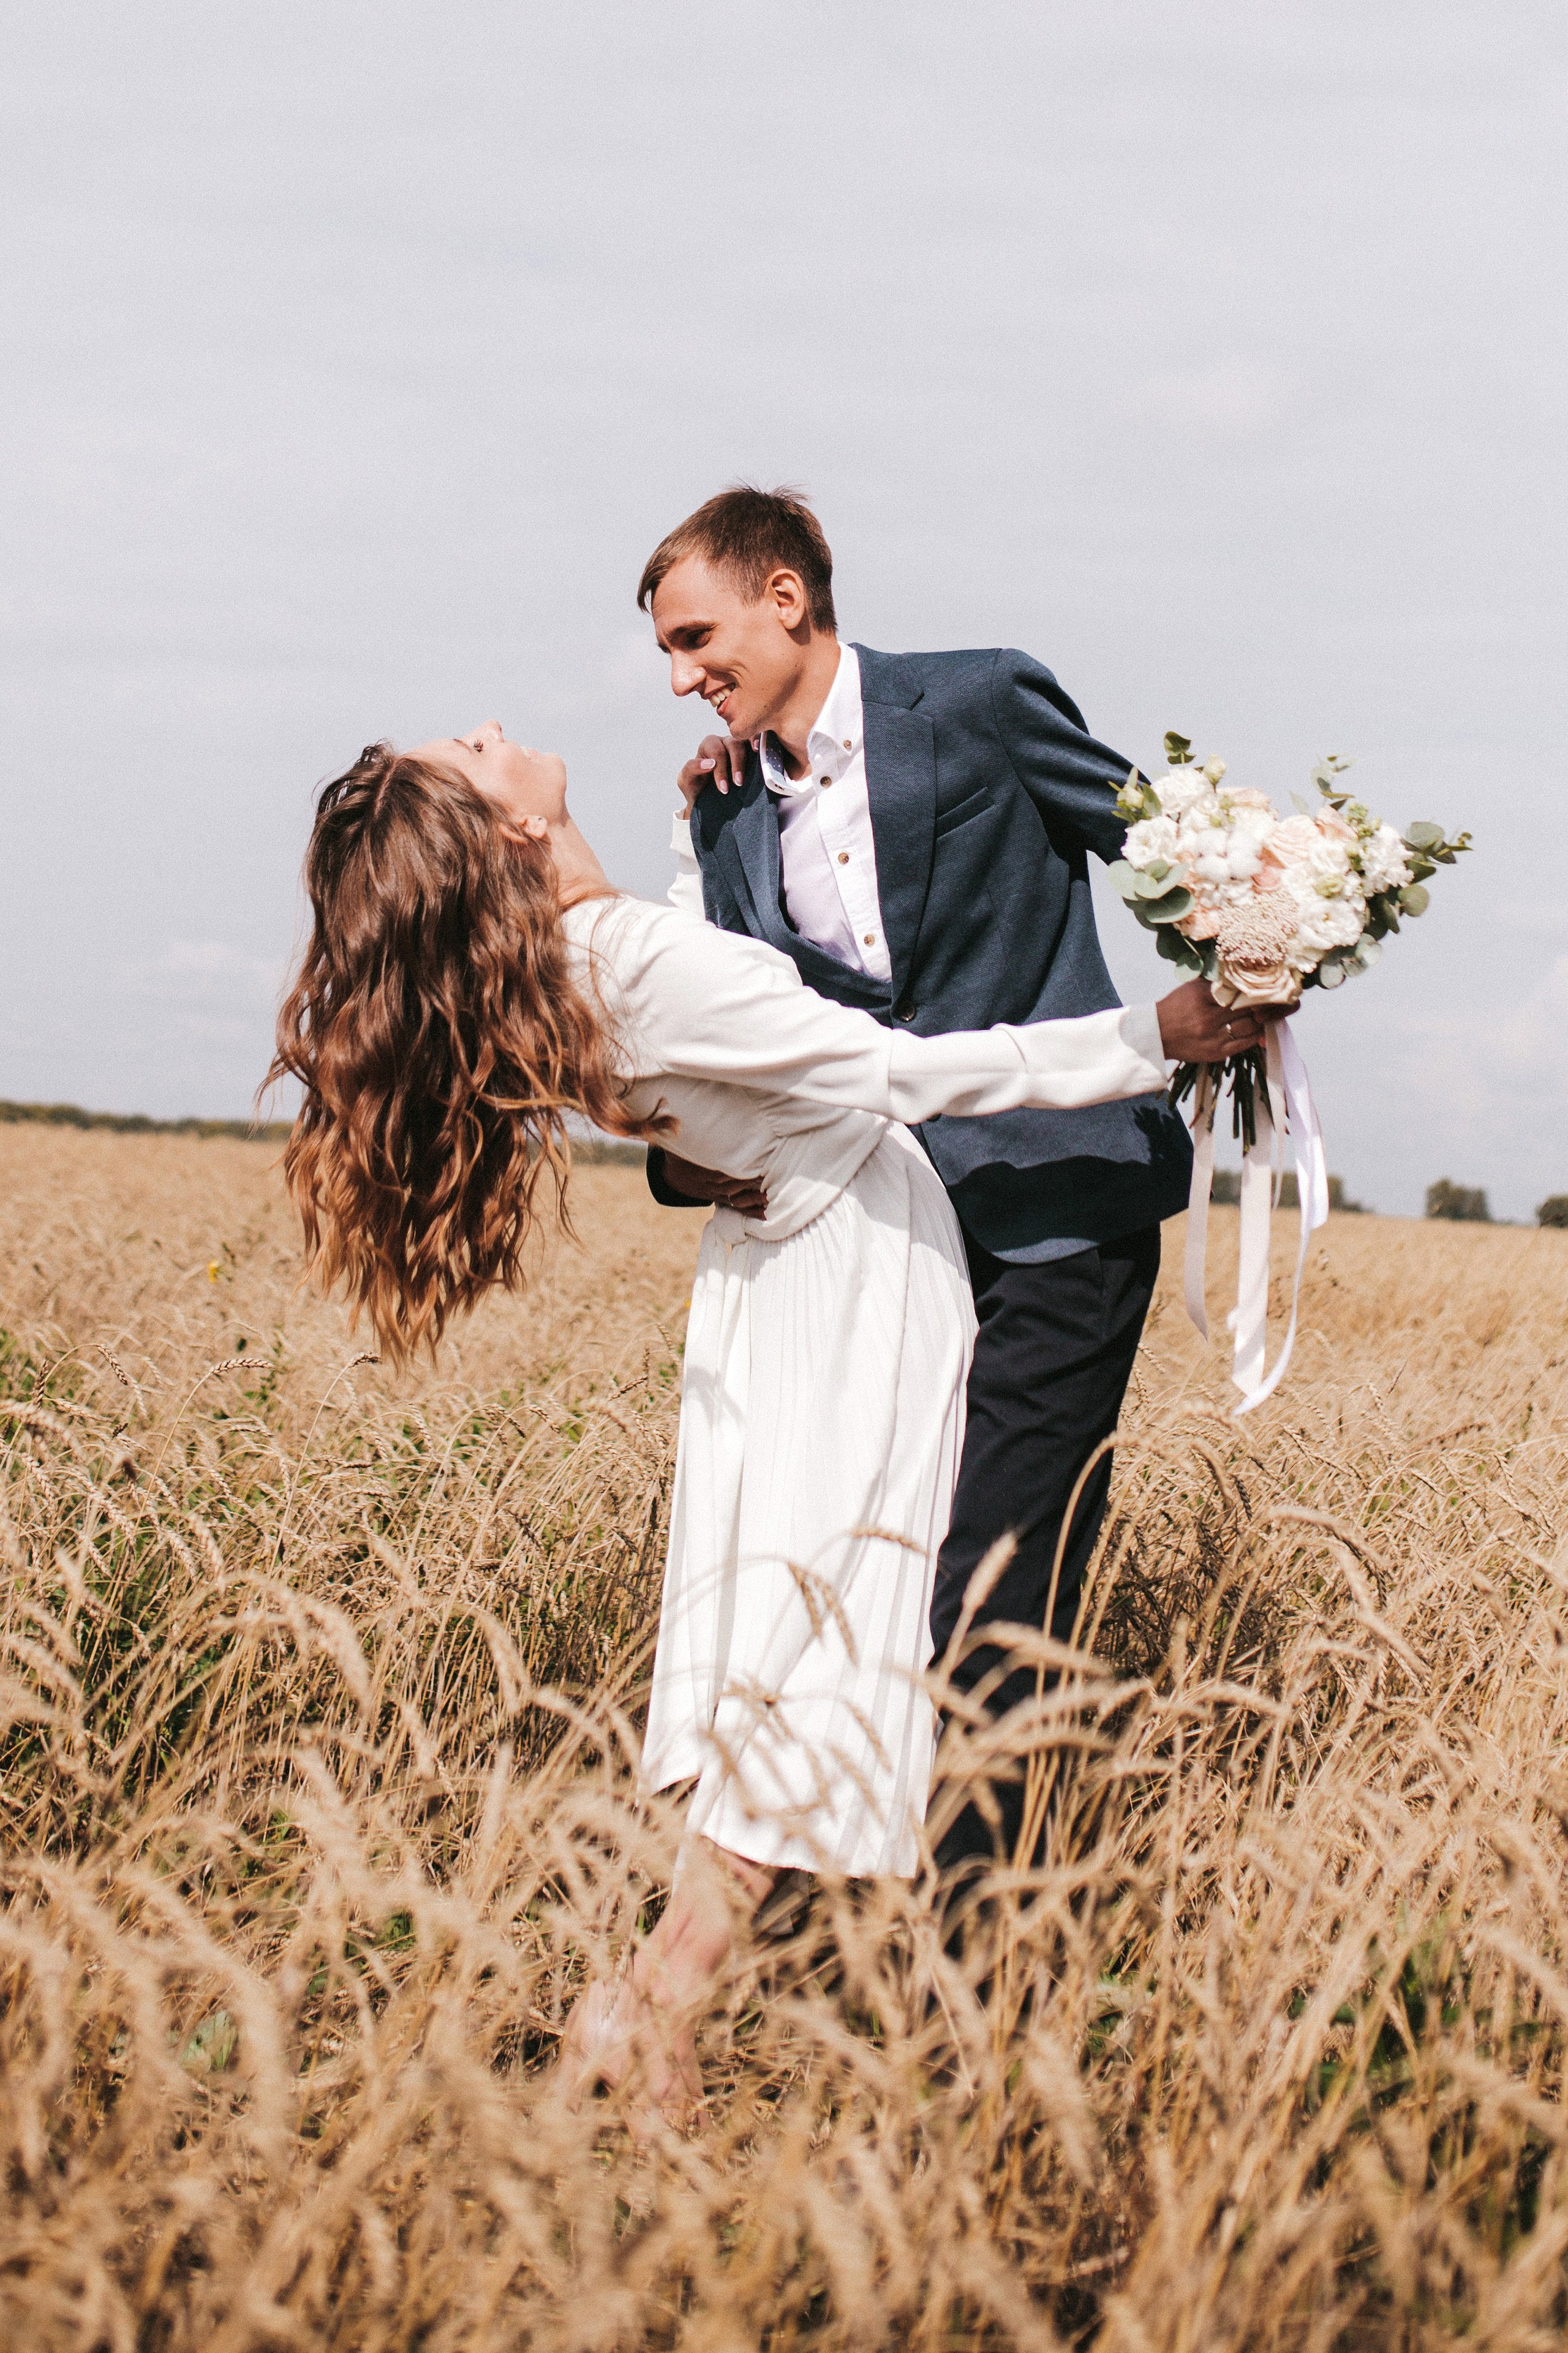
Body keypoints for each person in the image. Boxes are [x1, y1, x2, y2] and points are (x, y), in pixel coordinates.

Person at [270, 723, 1258, 2117]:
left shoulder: (563, 972)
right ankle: (656, 1999)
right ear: (498, 836)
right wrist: (1145, 1039)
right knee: (828, 1635)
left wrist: (688, 841)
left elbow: (706, 1013)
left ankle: (653, 2008)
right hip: (853, 1277)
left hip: (771, 1282)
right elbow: (897, 1073)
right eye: (468, 753)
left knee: (781, 1640)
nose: (490, 730)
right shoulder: (628, 971)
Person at [636, 485, 1210, 1881]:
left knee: (989, 1596)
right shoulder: (722, 824)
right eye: (665, 649)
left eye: (696, 632)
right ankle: (852, 1907)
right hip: (886, 1251)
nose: (678, 675)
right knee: (875, 1579)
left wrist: (1256, 940)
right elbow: (742, 1037)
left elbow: (1160, 846)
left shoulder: (979, 701)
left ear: (786, 597)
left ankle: (971, 1975)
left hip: (1061, 1208)